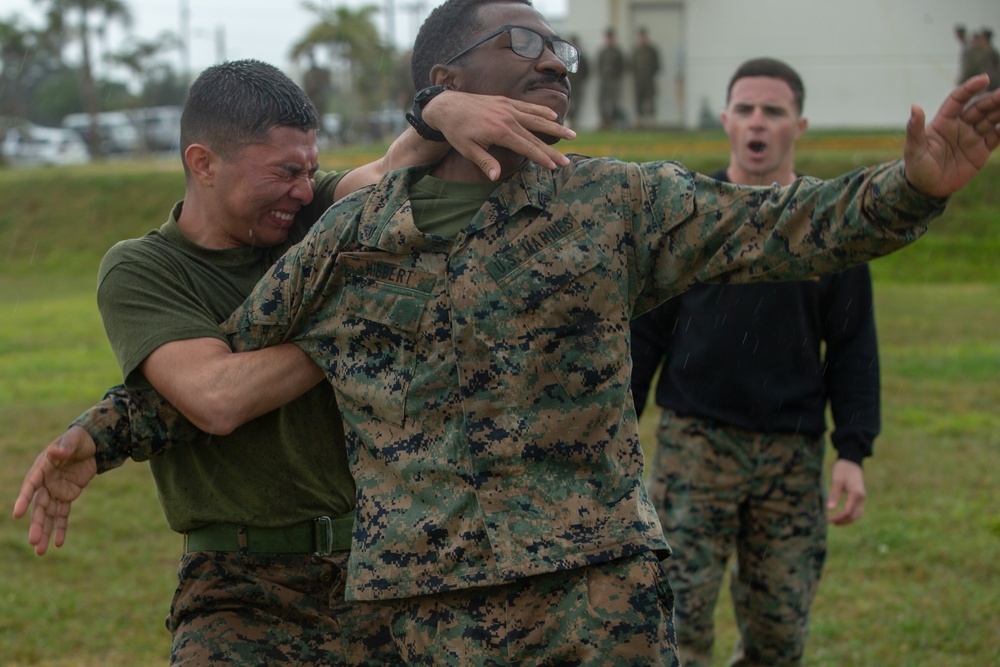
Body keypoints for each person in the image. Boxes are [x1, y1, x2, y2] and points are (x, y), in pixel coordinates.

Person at [20, 0, 1000, 664]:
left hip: (602, 588)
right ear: (450, 78)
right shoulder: (353, 237)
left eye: (561, 47)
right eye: (525, 44)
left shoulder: (611, 201)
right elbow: (222, 363)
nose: (555, 62)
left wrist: (911, 186)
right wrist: (97, 435)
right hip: (434, 609)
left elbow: (783, 227)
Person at [12, 57, 575, 666]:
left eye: (309, 169)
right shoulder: (144, 269)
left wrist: (436, 108)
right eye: (284, 172)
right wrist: (364, 319)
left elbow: (388, 171)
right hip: (240, 589)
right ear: (203, 163)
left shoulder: (311, 215)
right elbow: (217, 396)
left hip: (378, 570)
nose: (304, 190)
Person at [631, 57, 878, 667]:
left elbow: (852, 348)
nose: (757, 122)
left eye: (774, 110)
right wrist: (617, 433)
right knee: (675, 629)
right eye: (745, 109)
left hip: (790, 461)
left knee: (778, 636)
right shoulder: (691, 216)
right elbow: (645, 336)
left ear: (800, 124)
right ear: (725, 121)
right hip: (694, 449)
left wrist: (852, 451)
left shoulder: (829, 225)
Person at [632, 27, 661, 128]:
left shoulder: (652, 50)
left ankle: (650, 119)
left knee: (650, 99)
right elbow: (632, 65)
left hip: (649, 80)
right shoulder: (636, 51)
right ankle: (639, 119)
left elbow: (657, 66)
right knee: (638, 100)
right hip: (639, 81)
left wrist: (650, 74)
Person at [597, 27, 625, 129]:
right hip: (604, 80)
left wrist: (616, 77)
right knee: (602, 101)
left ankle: (612, 121)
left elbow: (622, 66)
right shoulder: (603, 52)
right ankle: (604, 121)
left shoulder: (617, 52)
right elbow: (598, 65)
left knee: (613, 101)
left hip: (614, 80)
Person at [565, 33, 589, 127]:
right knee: (568, 102)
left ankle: (573, 120)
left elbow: (586, 70)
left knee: (577, 103)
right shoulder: (566, 57)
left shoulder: (582, 57)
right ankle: (568, 120)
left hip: (578, 84)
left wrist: (581, 79)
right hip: (568, 83)